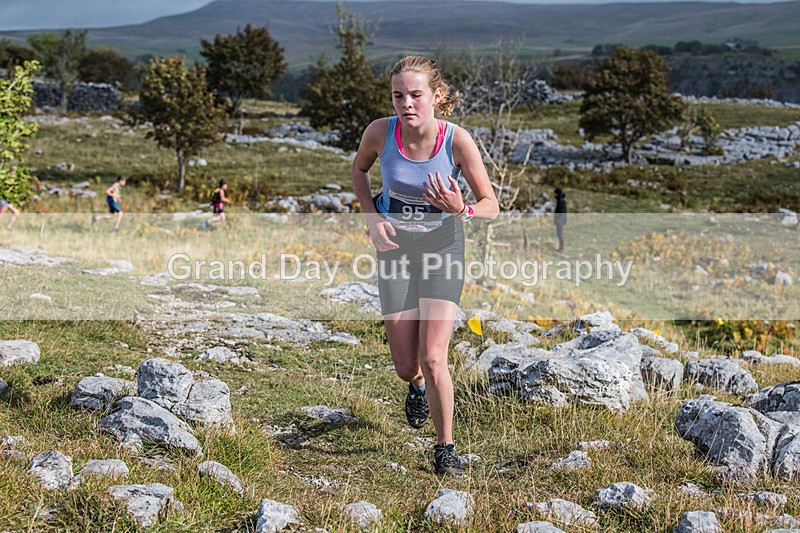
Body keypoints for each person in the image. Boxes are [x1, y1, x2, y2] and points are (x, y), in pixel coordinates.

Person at [352, 55, 499, 476]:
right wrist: (372, 218)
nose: (407, 103)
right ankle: (415, 388)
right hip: (395, 249)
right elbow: (359, 171)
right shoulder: (380, 132)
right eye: (398, 95)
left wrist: (463, 209)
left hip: (441, 247)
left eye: (416, 94)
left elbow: (491, 205)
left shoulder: (457, 140)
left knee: (435, 357)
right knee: (406, 365)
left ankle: (445, 447)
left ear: (435, 95)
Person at [554, 188, 567, 253]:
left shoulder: (561, 202)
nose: (554, 195)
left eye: (555, 193)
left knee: (560, 234)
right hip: (560, 221)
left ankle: (561, 248)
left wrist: (558, 220)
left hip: (560, 221)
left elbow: (561, 213)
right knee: (559, 234)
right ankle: (560, 247)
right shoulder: (561, 200)